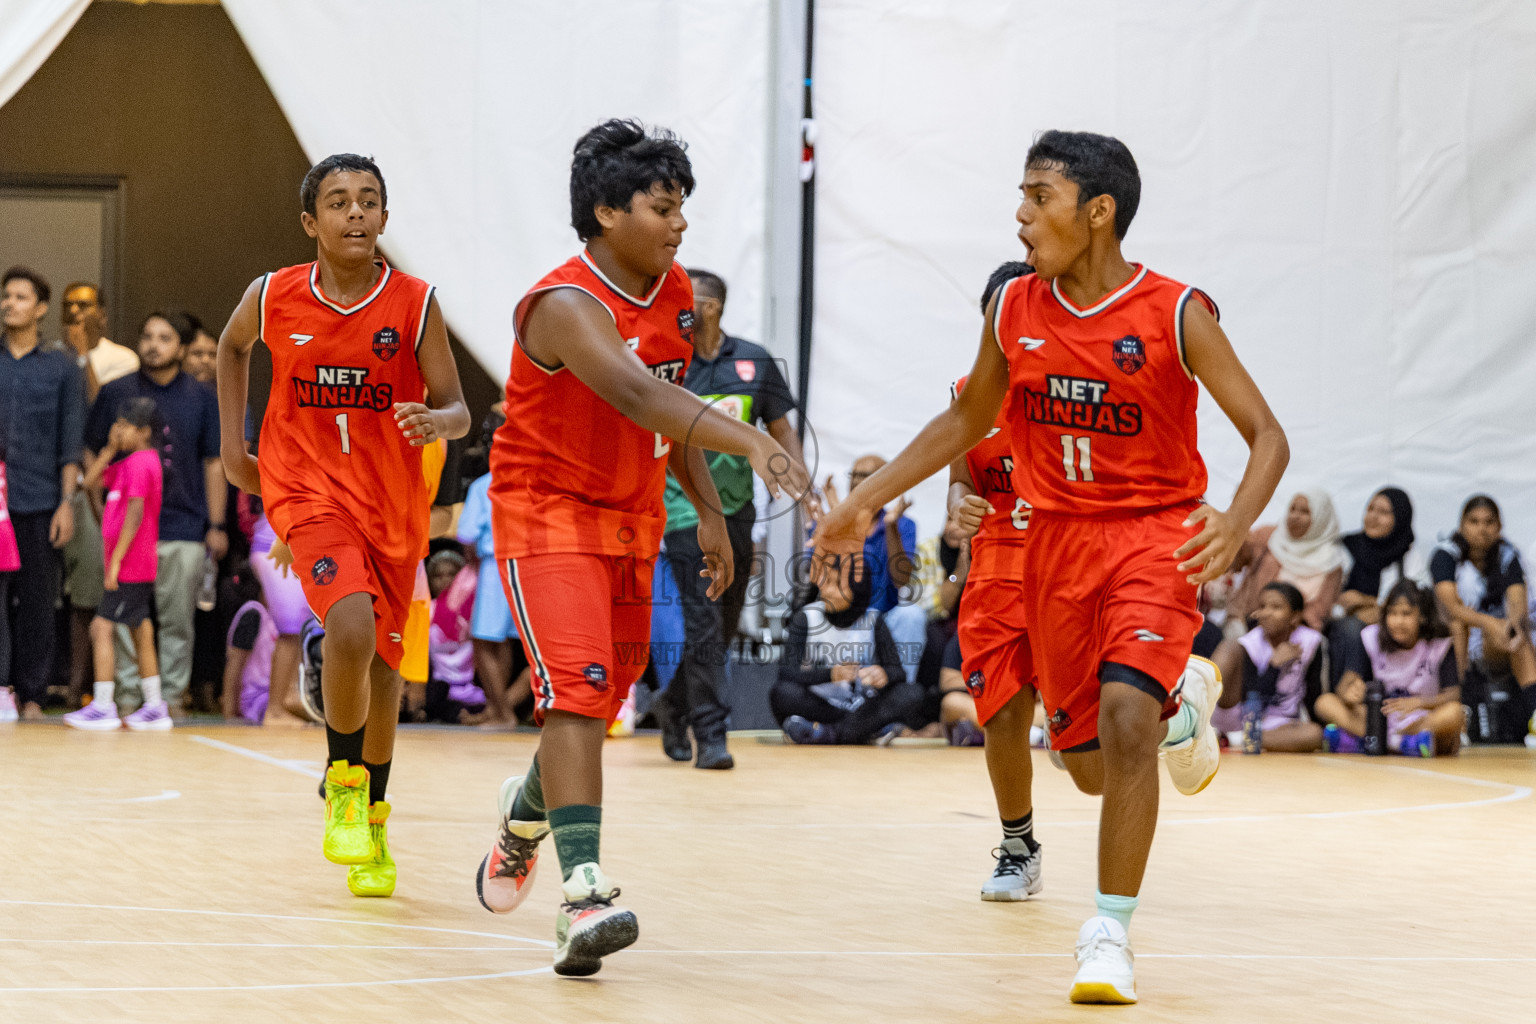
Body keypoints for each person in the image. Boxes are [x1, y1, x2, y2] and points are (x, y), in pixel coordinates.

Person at [813, 130, 1288, 1004]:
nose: (1021, 216)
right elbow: (963, 423)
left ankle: (1108, 931)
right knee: (1091, 763)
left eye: (1039, 197)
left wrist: (1233, 520)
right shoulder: (1015, 309)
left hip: (1152, 536)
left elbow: (1268, 435)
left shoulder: (1177, 311)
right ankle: (1183, 707)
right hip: (1053, 544)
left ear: (1097, 211)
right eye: (1022, 197)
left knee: (1123, 719)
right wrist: (863, 499)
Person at [471, 119, 806, 977]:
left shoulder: (676, 300)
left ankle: (523, 815)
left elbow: (672, 411)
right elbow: (631, 390)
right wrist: (755, 443)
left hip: (635, 517)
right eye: (664, 207)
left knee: (593, 696)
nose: (680, 224)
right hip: (546, 515)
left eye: (682, 207)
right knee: (580, 691)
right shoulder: (564, 304)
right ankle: (583, 892)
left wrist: (709, 513)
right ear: (607, 211)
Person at [218, 152, 471, 898]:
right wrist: (235, 448)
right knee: (353, 633)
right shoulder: (272, 296)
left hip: (391, 502)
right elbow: (233, 349)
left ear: (386, 219)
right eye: (338, 201)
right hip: (305, 491)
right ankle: (343, 782)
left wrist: (439, 420)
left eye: (368, 201)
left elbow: (458, 405)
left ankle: (377, 821)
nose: (355, 212)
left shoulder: (417, 303)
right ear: (311, 222)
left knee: (387, 666)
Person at [655, 266, 806, 770]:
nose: (684, 309)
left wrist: (798, 483)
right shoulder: (669, 363)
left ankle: (672, 705)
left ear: (714, 306)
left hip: (739, 510)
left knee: (722, 622)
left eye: (693, 300)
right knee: (703, 621)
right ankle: (712, 735)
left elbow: (782, 430)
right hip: (684, 510)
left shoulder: (754, 361)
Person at [945, 260, 1046, 899]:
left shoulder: (1074, 388)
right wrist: (959, 504)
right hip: (994, 571)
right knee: (1003, 718)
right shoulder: (967, 394)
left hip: (1069, 564)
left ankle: (1175, 713)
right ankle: (1018, 844)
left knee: (1086, 755)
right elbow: (959, 480)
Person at [87, 311, 225, 717]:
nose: (152, 344)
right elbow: (93, 447)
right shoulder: (116, 392)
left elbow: (214, 462)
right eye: (147, 336)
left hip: (183, 524)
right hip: (127, 531)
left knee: (176, 620)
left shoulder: (202, 396)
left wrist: (216, 524)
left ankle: (169, 697)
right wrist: (100, 509)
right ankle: (130, 697)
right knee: (127, 618)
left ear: (181, 348)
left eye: (164, 338)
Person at [0, 265, 84, 722]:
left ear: (41, 308)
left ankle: (32, 695)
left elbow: (70, 443)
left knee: (37, 602)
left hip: (40, 499)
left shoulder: (61, 366)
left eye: (20, 296)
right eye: (6, 296)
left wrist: (66, 505)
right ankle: (0, 690)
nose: (10, 303)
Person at [63, 398, 168, 730]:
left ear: (144, 432)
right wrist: (108, 449)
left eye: (125, 426)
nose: (118, 430)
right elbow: (89, 483)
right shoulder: (127, 462)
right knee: (141, 630)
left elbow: (135, 516)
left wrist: (115, 563)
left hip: (131, 564)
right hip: (128, 564)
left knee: (101, 627)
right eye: (117, 424)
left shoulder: (142, 463)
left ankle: (104, 706)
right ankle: (153, 706)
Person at [770, 554, 923, 744]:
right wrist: (831, 674)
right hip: (822, 706)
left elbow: (897, 673)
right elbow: (787, 674)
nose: (825, 589)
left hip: (861, 706)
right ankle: (859, 732)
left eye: (836, 584)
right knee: (782, 693)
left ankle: (829, 733)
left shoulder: (874, 621)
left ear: (856, 590)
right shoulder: (806, 618)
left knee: (912, 692)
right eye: (825, 580)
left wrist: (883, 675)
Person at [1317, 579, 1460, 756]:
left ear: (1422, 616)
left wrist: (1419, 702)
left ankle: (1366, 743)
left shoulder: (1439, 644)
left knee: (1454, 713)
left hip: (1417, 717)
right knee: (1325, 703)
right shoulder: (1371, 638)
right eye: (1392, 614)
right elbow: (1347, 683)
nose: (1398, 621)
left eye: (1406, 614)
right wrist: (1350, 694)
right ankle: (1401, 745)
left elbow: (1453, 694)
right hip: (1377, 718)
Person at [1429, 495, 1534, 729]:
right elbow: (1452, 607)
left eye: (1489, 522)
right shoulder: (1446, 555)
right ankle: (1459, 710)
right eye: (1474, 522)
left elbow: (1518, 602)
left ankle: (1535, 712)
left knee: (1518, 635)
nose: (1482, 529)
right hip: (1452, 638)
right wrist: (1489, 622)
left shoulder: (1508, 555)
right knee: (1458, 625)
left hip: (1494, 641)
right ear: (1462, 525)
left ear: (1499, 526)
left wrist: (1511, 626)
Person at [455, 460, 532, 727]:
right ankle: (497, 710)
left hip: (496, 563)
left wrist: (472, 562)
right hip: (527, 565)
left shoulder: (485, 484)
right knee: (503, 641)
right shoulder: (532, 480)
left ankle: (502, 714)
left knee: (482, 640)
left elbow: (467, 534)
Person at [1210, 582, 1325, 752]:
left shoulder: (1310, 642)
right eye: (1262, 606)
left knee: (1314, 734)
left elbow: (1313, 691)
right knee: (1229, 647)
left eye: (1276, 607)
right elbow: (1253, 700)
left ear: (1295, 616)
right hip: (1241, 715)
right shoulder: (1251, 643)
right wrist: (1274, 666)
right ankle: (1195, 726)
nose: (1265, 613)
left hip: (1277, 723)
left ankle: (1231, 740)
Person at [1223, 490, 1344, 631]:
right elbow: (1236, 555)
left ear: (1321, 518)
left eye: (1305, 512)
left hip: (1293, 633)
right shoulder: (1269, 537)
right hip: (1245, 623)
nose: (1295, 516)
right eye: (1292, 509)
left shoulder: (1331, 561)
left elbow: (1320, 610)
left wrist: (1279, 623)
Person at [61, 282, 138, 401]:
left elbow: (100, 408)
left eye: (83, 305)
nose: (73, 310)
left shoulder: (123, 358)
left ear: (102, 316)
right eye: (67, 305)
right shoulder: (50, 353)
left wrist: (82, 353)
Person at [221, 565, 278, 723]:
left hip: (273, 695)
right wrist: (230, 713)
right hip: (256, 699)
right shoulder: (253, 614)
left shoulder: (279, 618)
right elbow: (235, 663)